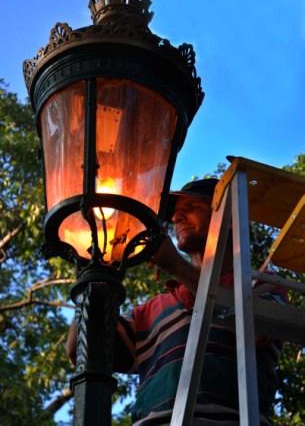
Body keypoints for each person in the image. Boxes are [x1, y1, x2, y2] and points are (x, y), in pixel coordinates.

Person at [66, 178, 286, 425]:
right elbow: (82, 350)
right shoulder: (151, 310)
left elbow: (252, 326)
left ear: (230, 217)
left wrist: (175, 265)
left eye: (191, 207)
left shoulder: (261, 283)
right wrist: (94, 276)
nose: (176, 218)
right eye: (175, 213)